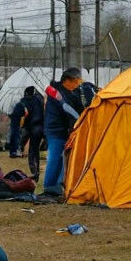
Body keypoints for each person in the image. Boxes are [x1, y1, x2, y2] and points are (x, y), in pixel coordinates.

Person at [42, 68, 86, 196]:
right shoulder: (57, 94)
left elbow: (79, 109)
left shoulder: (73, 92)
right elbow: (69, 112)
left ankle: (58, 185)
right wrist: (76, 124)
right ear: (67, 81)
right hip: (56, 131)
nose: (78, 85)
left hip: (66, 130)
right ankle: (48, 187)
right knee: (55, 158)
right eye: (76, 82)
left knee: (63, 160)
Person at [21, 85, 46, 180]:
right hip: (41, 126)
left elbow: (24, 115)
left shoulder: (24, 101)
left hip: (30, 127)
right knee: (36, 150)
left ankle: (34, 171)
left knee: (32, 150)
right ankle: (36, 170)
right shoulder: (39, 99)